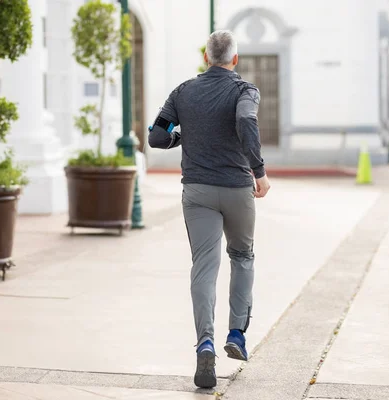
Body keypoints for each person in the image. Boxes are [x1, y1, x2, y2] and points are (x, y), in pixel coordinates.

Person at [148, 30, 270, 388]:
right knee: (242, 256)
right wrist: (258, 171)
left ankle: (205, 342)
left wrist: (183, 136)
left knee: (204, 265)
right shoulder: (244, 91)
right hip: (236, 190)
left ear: (206, 57)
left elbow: (157, 136)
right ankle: (236, 334)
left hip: (197, 191)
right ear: (235, 59)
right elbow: (247, 121)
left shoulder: (183, 92)